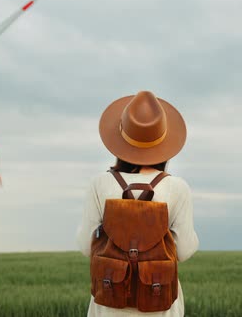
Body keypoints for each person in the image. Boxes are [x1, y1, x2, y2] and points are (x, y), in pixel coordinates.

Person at [76, 90, 199, 316]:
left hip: (108, 304)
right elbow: (183, 251)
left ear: (121, 141)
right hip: (159, 305)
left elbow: (86, 246)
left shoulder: (99, 184)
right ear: (164, 143)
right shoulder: (178, 188)